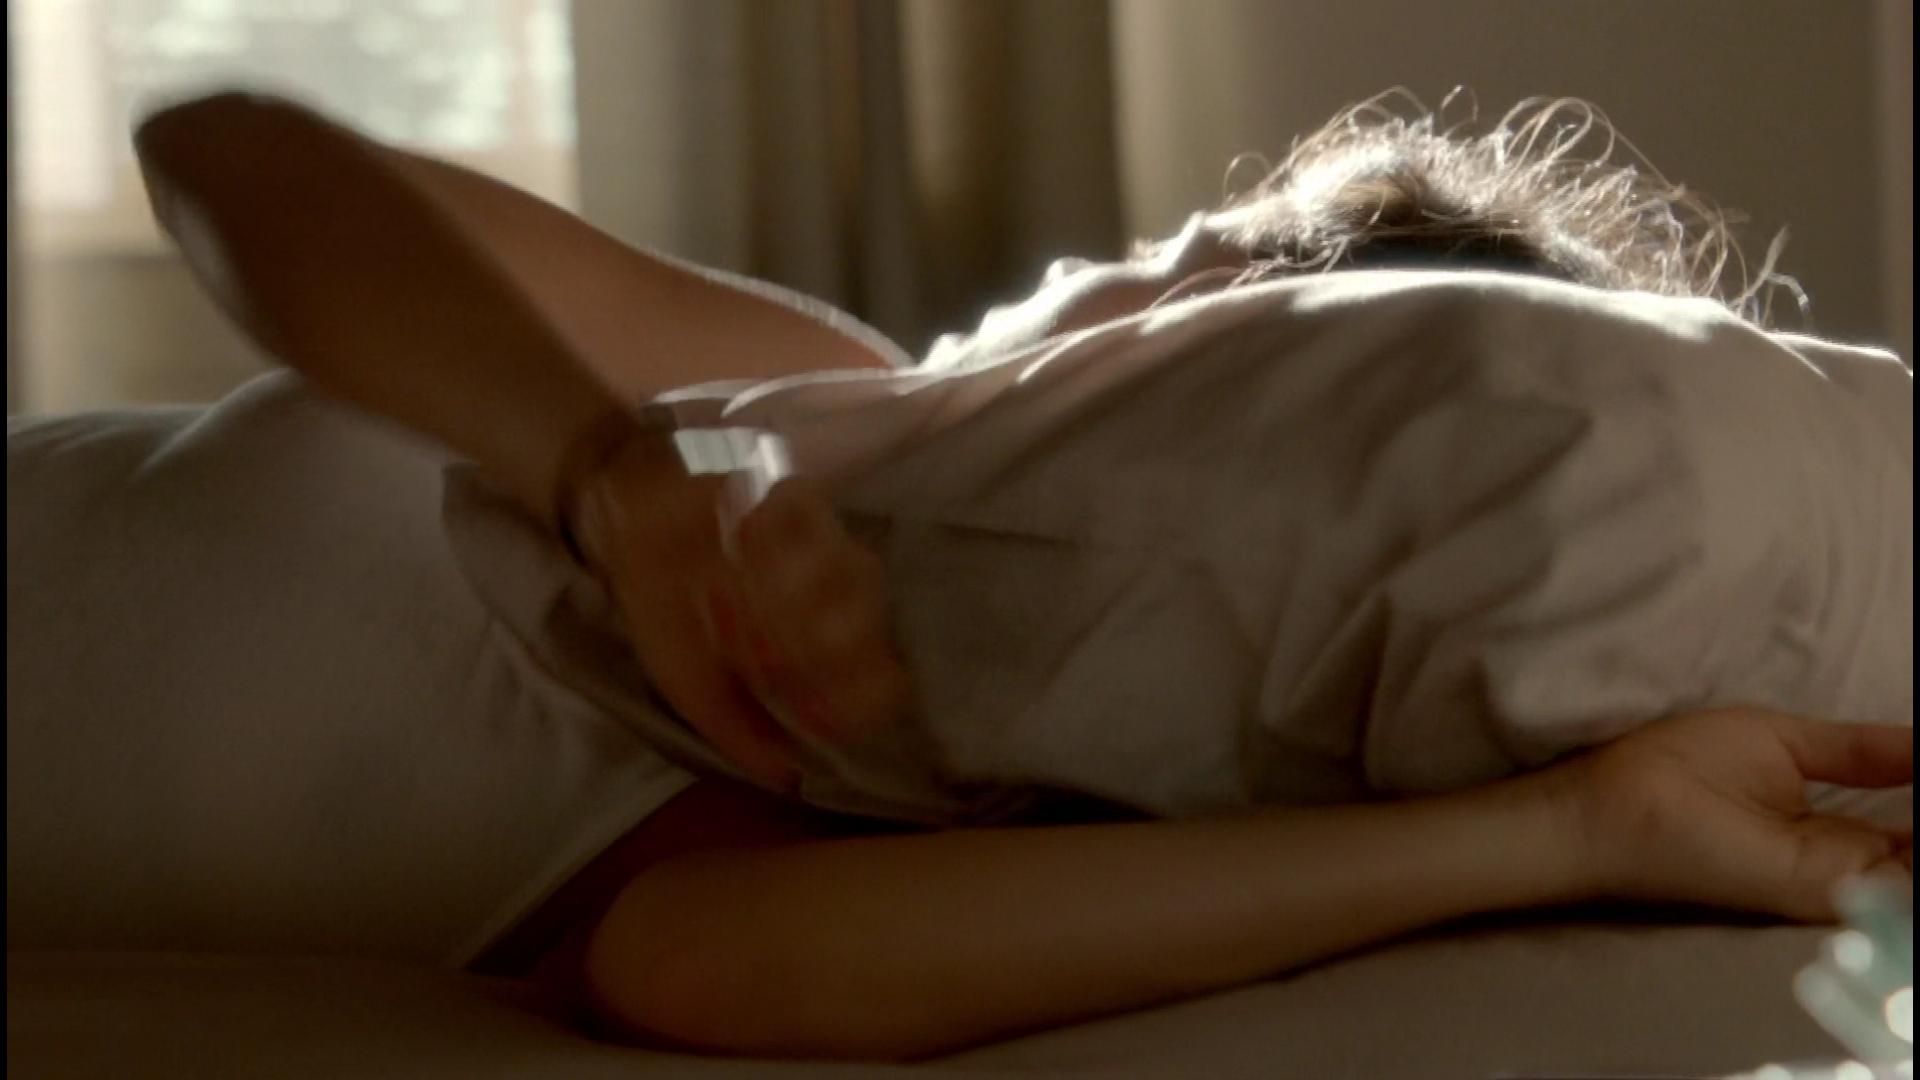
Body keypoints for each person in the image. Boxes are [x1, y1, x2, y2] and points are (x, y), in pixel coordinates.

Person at [39, 89, 1907, 1060]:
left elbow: (691, 966)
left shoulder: (930, 781)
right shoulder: (794, 397)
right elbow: (222, 153)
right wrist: (600, 466)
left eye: (1180, 264)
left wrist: (1564, 830)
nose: (1077, 283)